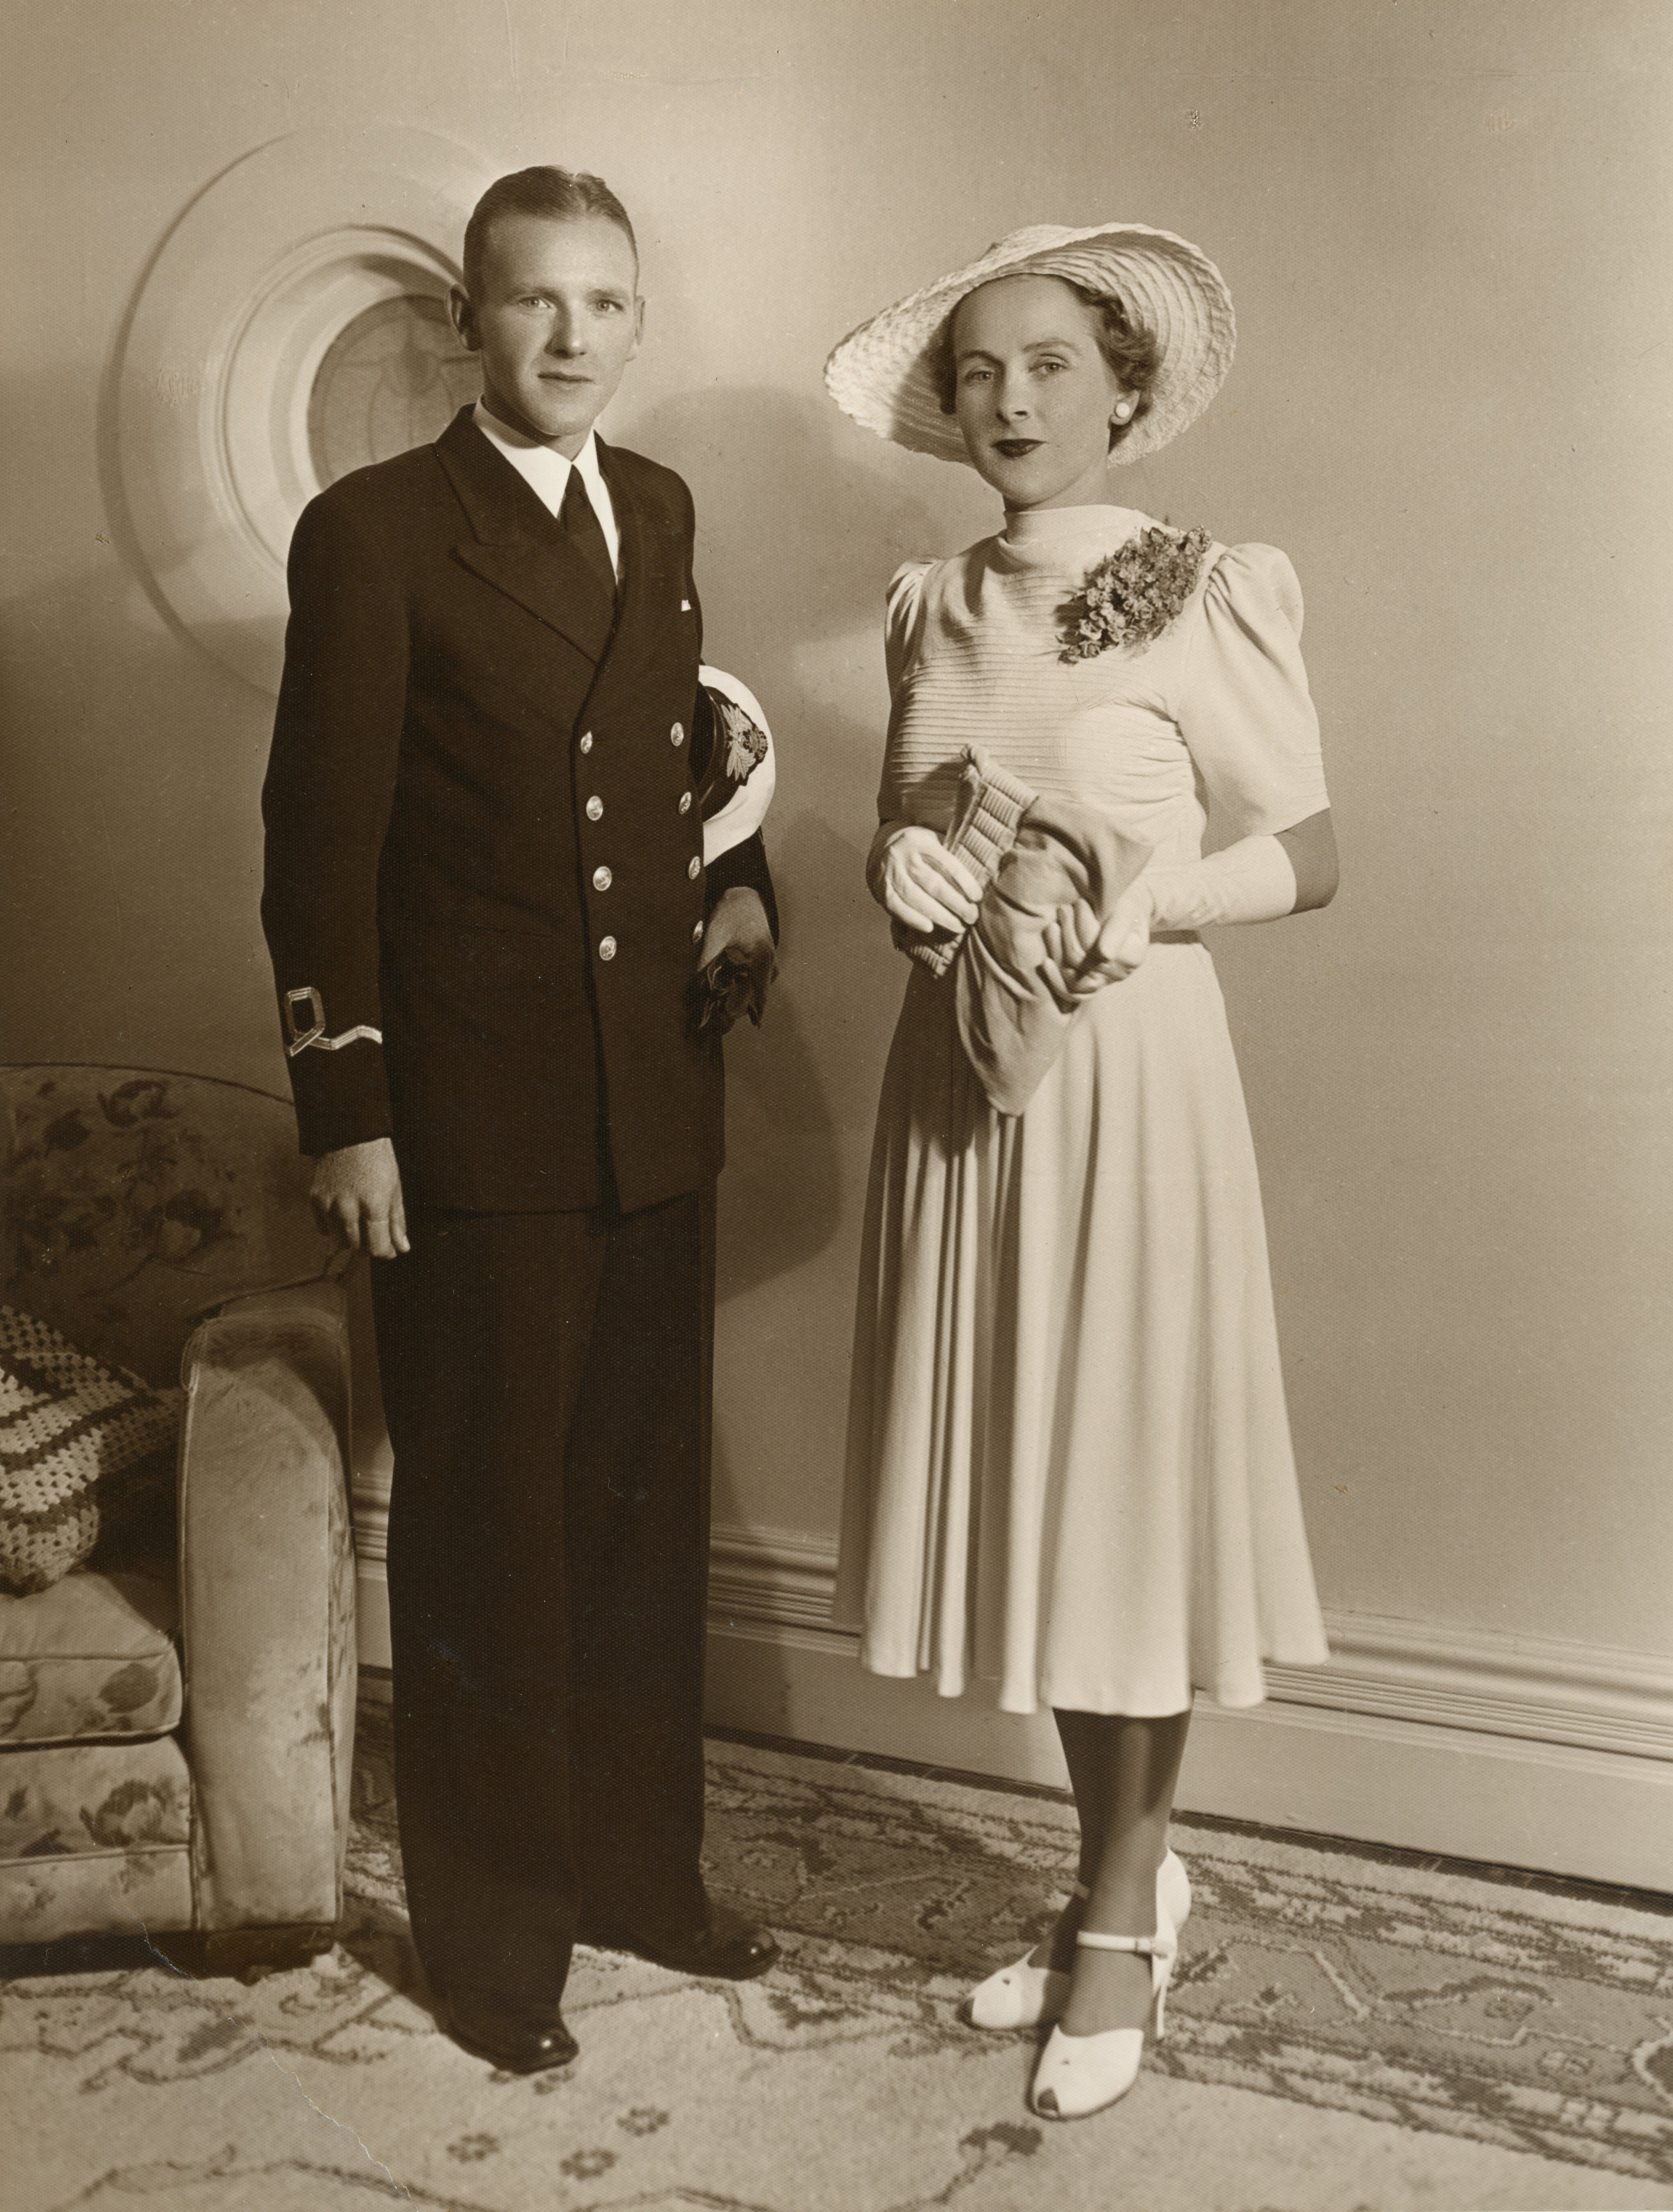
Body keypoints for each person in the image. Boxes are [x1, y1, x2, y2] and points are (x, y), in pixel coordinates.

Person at [261, 166, 780, 2076]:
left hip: (653, 1107)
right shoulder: (377, 533)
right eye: (535, 303)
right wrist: (351, 1112)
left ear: (636, 322)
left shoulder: (655, 508)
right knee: (487, 1537)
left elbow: (679, 780)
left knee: (634, 1526)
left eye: (606, 305)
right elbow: (314, 859)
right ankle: (494, 1948)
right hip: (467, 1130)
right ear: (466, 324)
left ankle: (640, 1873)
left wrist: (752, 897)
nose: (572, 338)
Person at [826, 223, 1337, 2121]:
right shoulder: (921, 603)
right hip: (965, 1085)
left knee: (1122, 1479)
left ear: (1122, 386)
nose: (1011, 400)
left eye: (1047, 363)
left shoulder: (1205, 587)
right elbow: (917, 824)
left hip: (1132, 1079)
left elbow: (1309, 849)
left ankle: (1118, 1904)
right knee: (1045, 1487)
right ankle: (1118, 1868)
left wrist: (1152, 894)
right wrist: (896, 872)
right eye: (977, 372)